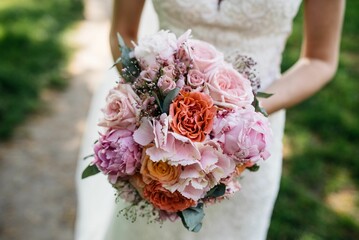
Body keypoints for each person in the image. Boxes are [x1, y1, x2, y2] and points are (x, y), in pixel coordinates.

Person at [75, 0, 345, 239]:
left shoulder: (249, 125)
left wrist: (245, 114)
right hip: (157, 136)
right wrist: (157, 103)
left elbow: (319, 60)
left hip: (247, 140)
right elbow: (124, 33)